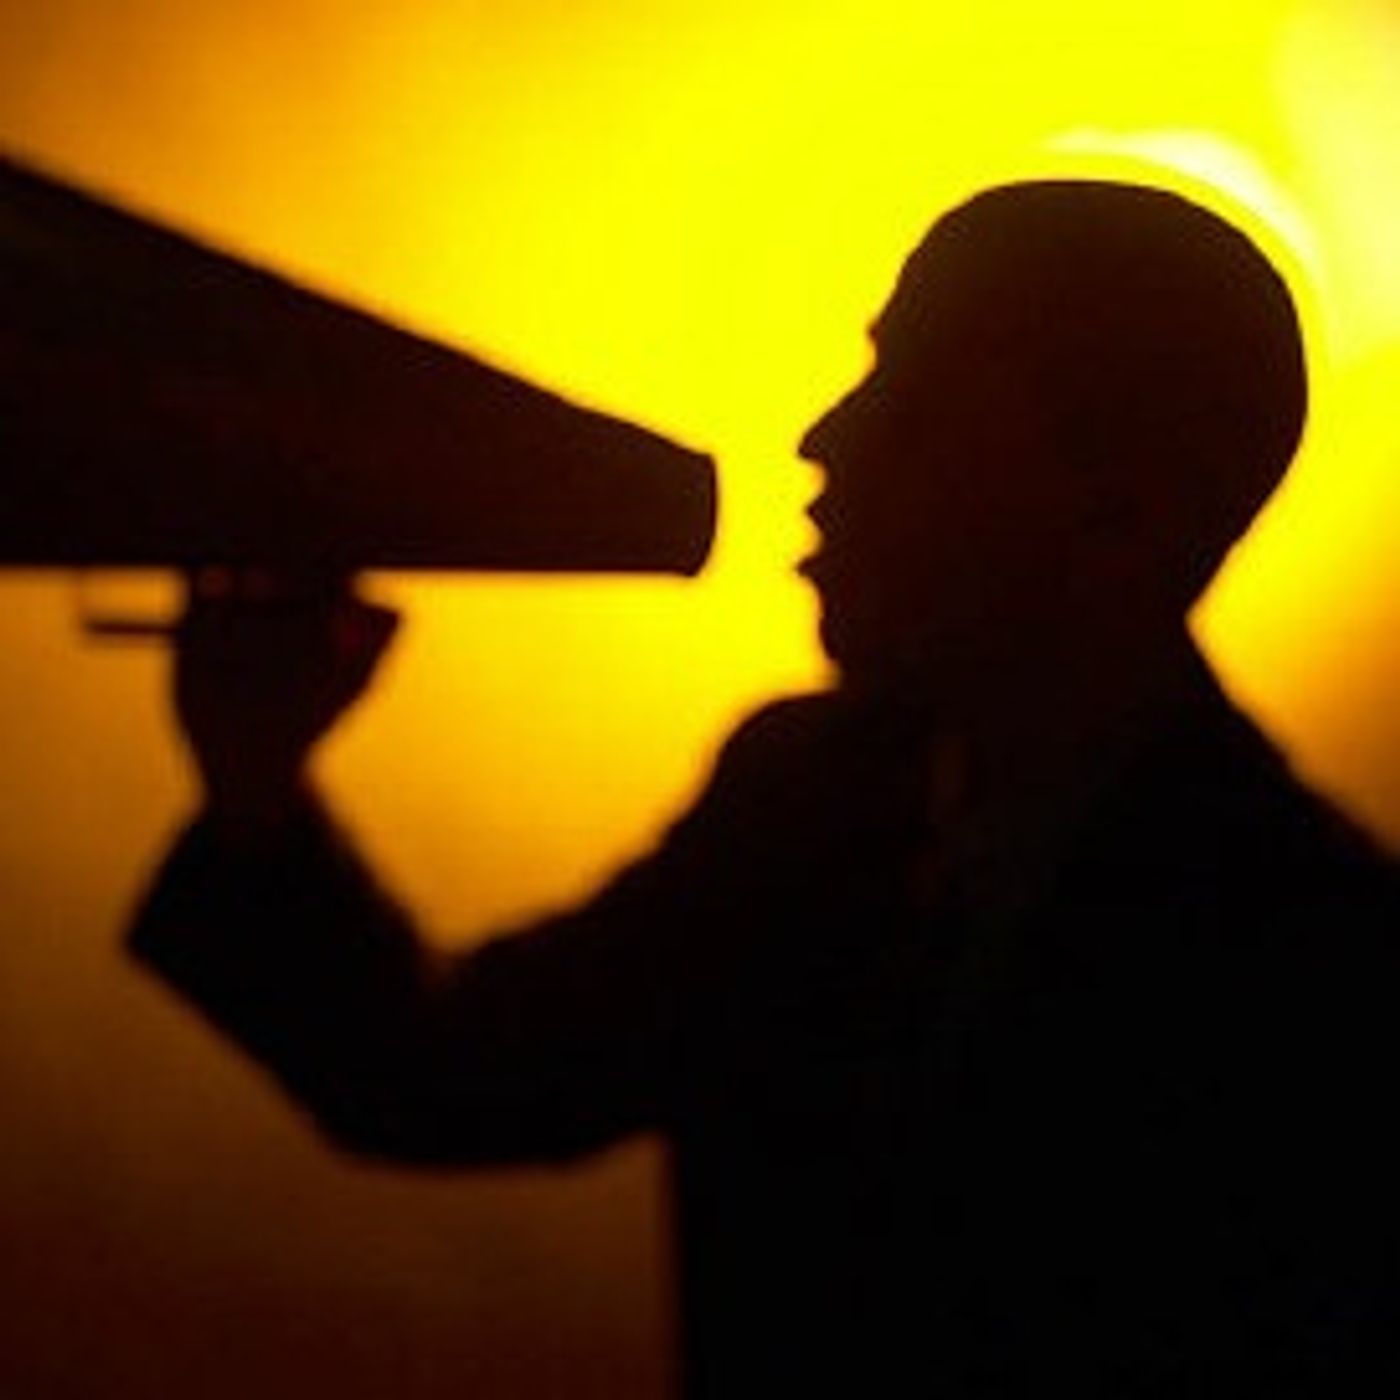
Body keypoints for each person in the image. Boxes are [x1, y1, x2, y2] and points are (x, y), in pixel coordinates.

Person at [131, 180, 1400, 1397]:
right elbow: (450, 1073)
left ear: (1119, 511)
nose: (825, 440)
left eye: (914, 396)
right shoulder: (808, 796)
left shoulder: (1319, 966)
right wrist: (257, 780)